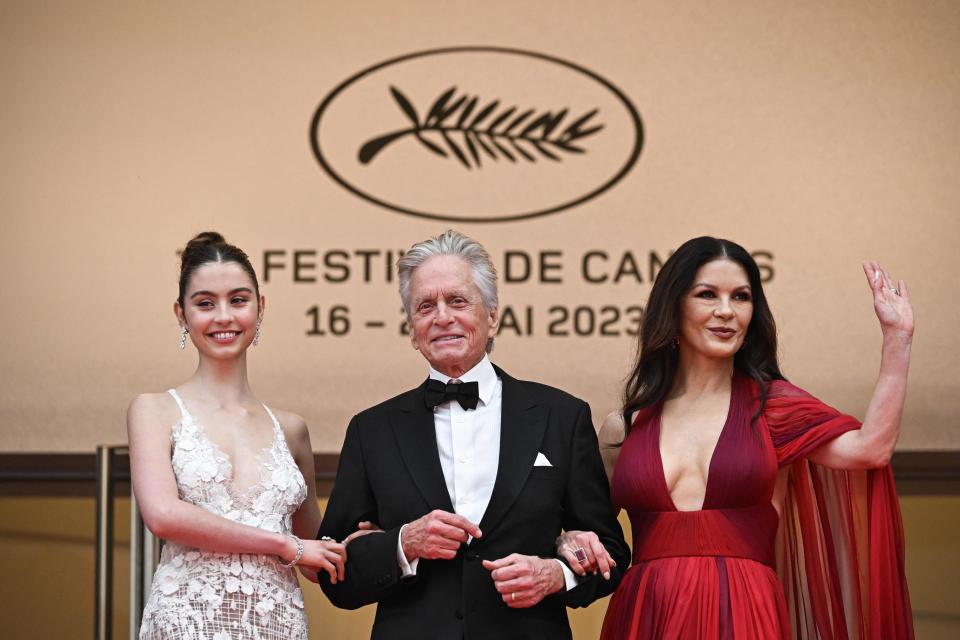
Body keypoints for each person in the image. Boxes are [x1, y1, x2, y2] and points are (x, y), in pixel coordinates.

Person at [559, 236, 914, 639]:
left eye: (741, 297)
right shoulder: (623, 427)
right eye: (707, 294)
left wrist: (897, 340)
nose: (726, 311)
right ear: (673, 308)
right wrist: (566, 538)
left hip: (745, 612)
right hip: (644, 614)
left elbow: (872, 449)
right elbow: (586, 530)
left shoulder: (774, 407)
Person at [316, 230, 630, 640]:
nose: (442, 316)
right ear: (412, 329)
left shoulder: (561, 417)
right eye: (425, 306)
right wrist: (402, 544)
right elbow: (336, 575)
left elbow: (612, 553)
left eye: (458, 301)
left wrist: (556, 574)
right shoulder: (371, 430)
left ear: (493, 315)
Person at [129, 232, 353, 640]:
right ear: (181, 314)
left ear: (260, 307)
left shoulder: (292, 430)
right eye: (205, 303)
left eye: (238, 300)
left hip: (277, 624)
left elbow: (313, 554)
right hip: (188, 623)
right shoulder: (154, 410)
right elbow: (163, 515)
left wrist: (384, 540)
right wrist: (284, 546)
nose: (224, 317)